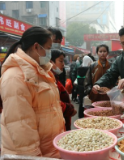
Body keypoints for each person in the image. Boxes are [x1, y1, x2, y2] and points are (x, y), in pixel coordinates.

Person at [0, 26, 65, 158]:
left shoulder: (41, 71)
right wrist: (33, 156)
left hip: (50, 149)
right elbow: (21, 127)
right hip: (33, 154)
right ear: (36, 47)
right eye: (48, 47)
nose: (50, 52)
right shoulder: (15, 77)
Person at [50, 49, 77, 130]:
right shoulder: (49, 79)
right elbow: (53, 102)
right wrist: (69, 109)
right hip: (57, 122)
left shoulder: (55, 77)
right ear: (51, 62)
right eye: (60, 61)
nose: (63, 64)